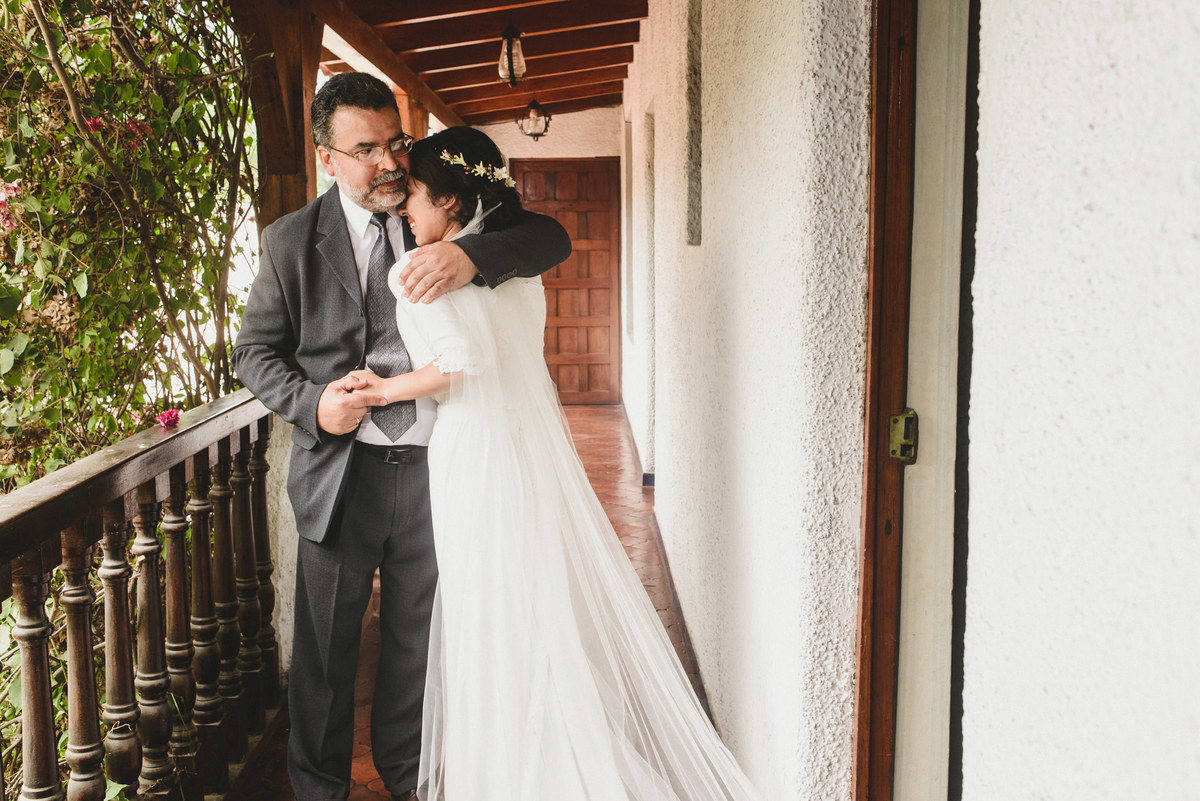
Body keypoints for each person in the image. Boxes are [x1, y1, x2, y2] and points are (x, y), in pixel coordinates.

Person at [346, 126, 762, 800]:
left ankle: (513, 767)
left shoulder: (423, 268)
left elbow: (462, 366)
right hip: (520, 445)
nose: (406, 212)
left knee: (487, 601)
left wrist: (381, 388)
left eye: (415, 198)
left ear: (449, 199)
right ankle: (543, 743)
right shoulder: (515, 266)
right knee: (529, 596)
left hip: (474, 451)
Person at [230, 74, 571, 801]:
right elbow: (254, 354)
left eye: (396, 142)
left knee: (419, 643)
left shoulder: (446, 219)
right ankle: (320, 788)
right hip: (338, 473)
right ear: (328, 158)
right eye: (366, 149)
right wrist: (313, 402)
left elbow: (551, 235)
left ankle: (409, 776)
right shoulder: (290, 241)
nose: (388, 162)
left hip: (437, 465)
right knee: (325, 652)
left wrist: (473, 258)